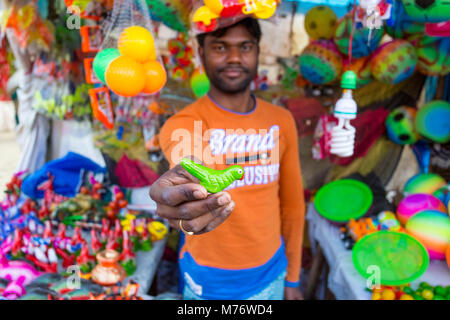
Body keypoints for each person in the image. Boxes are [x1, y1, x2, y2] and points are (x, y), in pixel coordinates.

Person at [150, 17, 305, 300]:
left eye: (245, 47)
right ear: (201, 53)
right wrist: (185, 185)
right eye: (220, 47)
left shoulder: (281, 121)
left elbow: (293, 205)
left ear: (258, 52)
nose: (234, 58)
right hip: (209, 280)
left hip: (272, 272)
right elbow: (188, 155)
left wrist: (293, 278)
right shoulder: (185, 123)